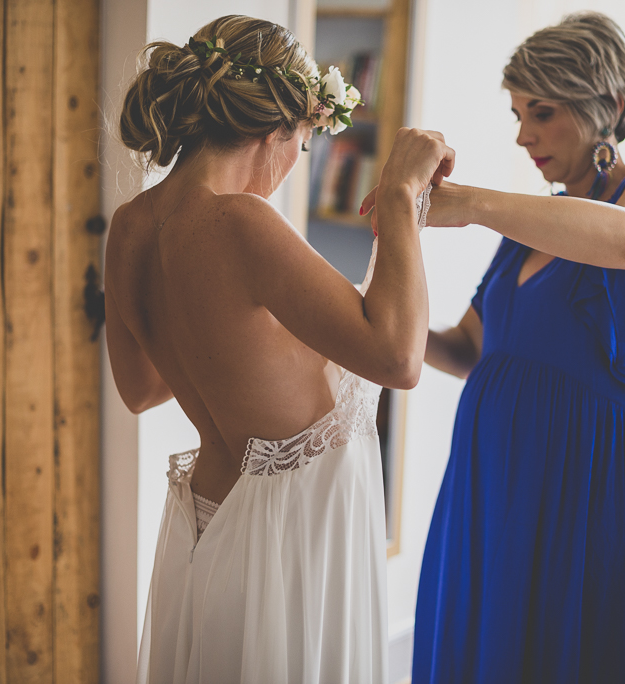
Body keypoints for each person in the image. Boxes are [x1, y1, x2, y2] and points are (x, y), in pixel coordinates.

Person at [104, 15, 453, 683]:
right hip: (289, 546)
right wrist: (404, 193)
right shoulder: (239, 222)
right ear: (277, 129)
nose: (299, 160)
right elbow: (399, 359)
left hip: (208, 528)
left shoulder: (132, 225)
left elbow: (140, 387)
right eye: (305, 141)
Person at [380, 11, 625, 683]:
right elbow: (469, 349)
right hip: (492, 484)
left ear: (609, 107)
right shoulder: (532, 229)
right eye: (518, 113)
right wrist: (369, 324)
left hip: (591, 489)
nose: (524, 135)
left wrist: (465, 202)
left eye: (543, 112)